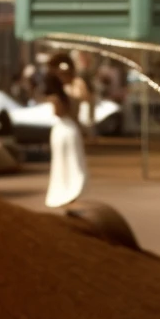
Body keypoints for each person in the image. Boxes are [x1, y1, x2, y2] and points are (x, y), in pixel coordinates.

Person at [43, 53, 89, 209]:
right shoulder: (57, 92)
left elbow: (83, 99)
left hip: (69, 127)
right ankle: (64, 189)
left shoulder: (76, 86)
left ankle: (71, 188)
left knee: (72, 160)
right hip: (63, 128)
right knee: (61, 161)